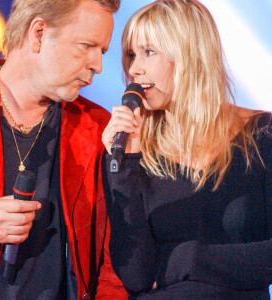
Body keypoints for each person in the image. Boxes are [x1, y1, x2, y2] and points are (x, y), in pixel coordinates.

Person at [102, 0, 272, 299]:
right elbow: (135, 275)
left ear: (190, 55)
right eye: (130, 55)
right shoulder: (131, 151)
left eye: (148, 52)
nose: (134, 69)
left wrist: (190, 260)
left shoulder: (261, 134)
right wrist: (124, 164)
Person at [0, 0, 128, 299]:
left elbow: (115, 255)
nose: (97, 65)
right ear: (39, 34)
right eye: (86, 46)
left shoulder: (98, 129)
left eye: (102, 51)